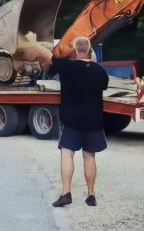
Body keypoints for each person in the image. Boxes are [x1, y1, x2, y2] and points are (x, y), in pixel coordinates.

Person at [34, 36, 109, 207]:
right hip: (93, 121)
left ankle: (66, 193)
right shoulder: (99, 71)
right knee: (89, 156)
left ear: (75, 50)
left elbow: (46, 55)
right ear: (90, 50)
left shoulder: (67, 66)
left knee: (67, 153)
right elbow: (103, 85)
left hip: (71, 120)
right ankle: (91, 195)